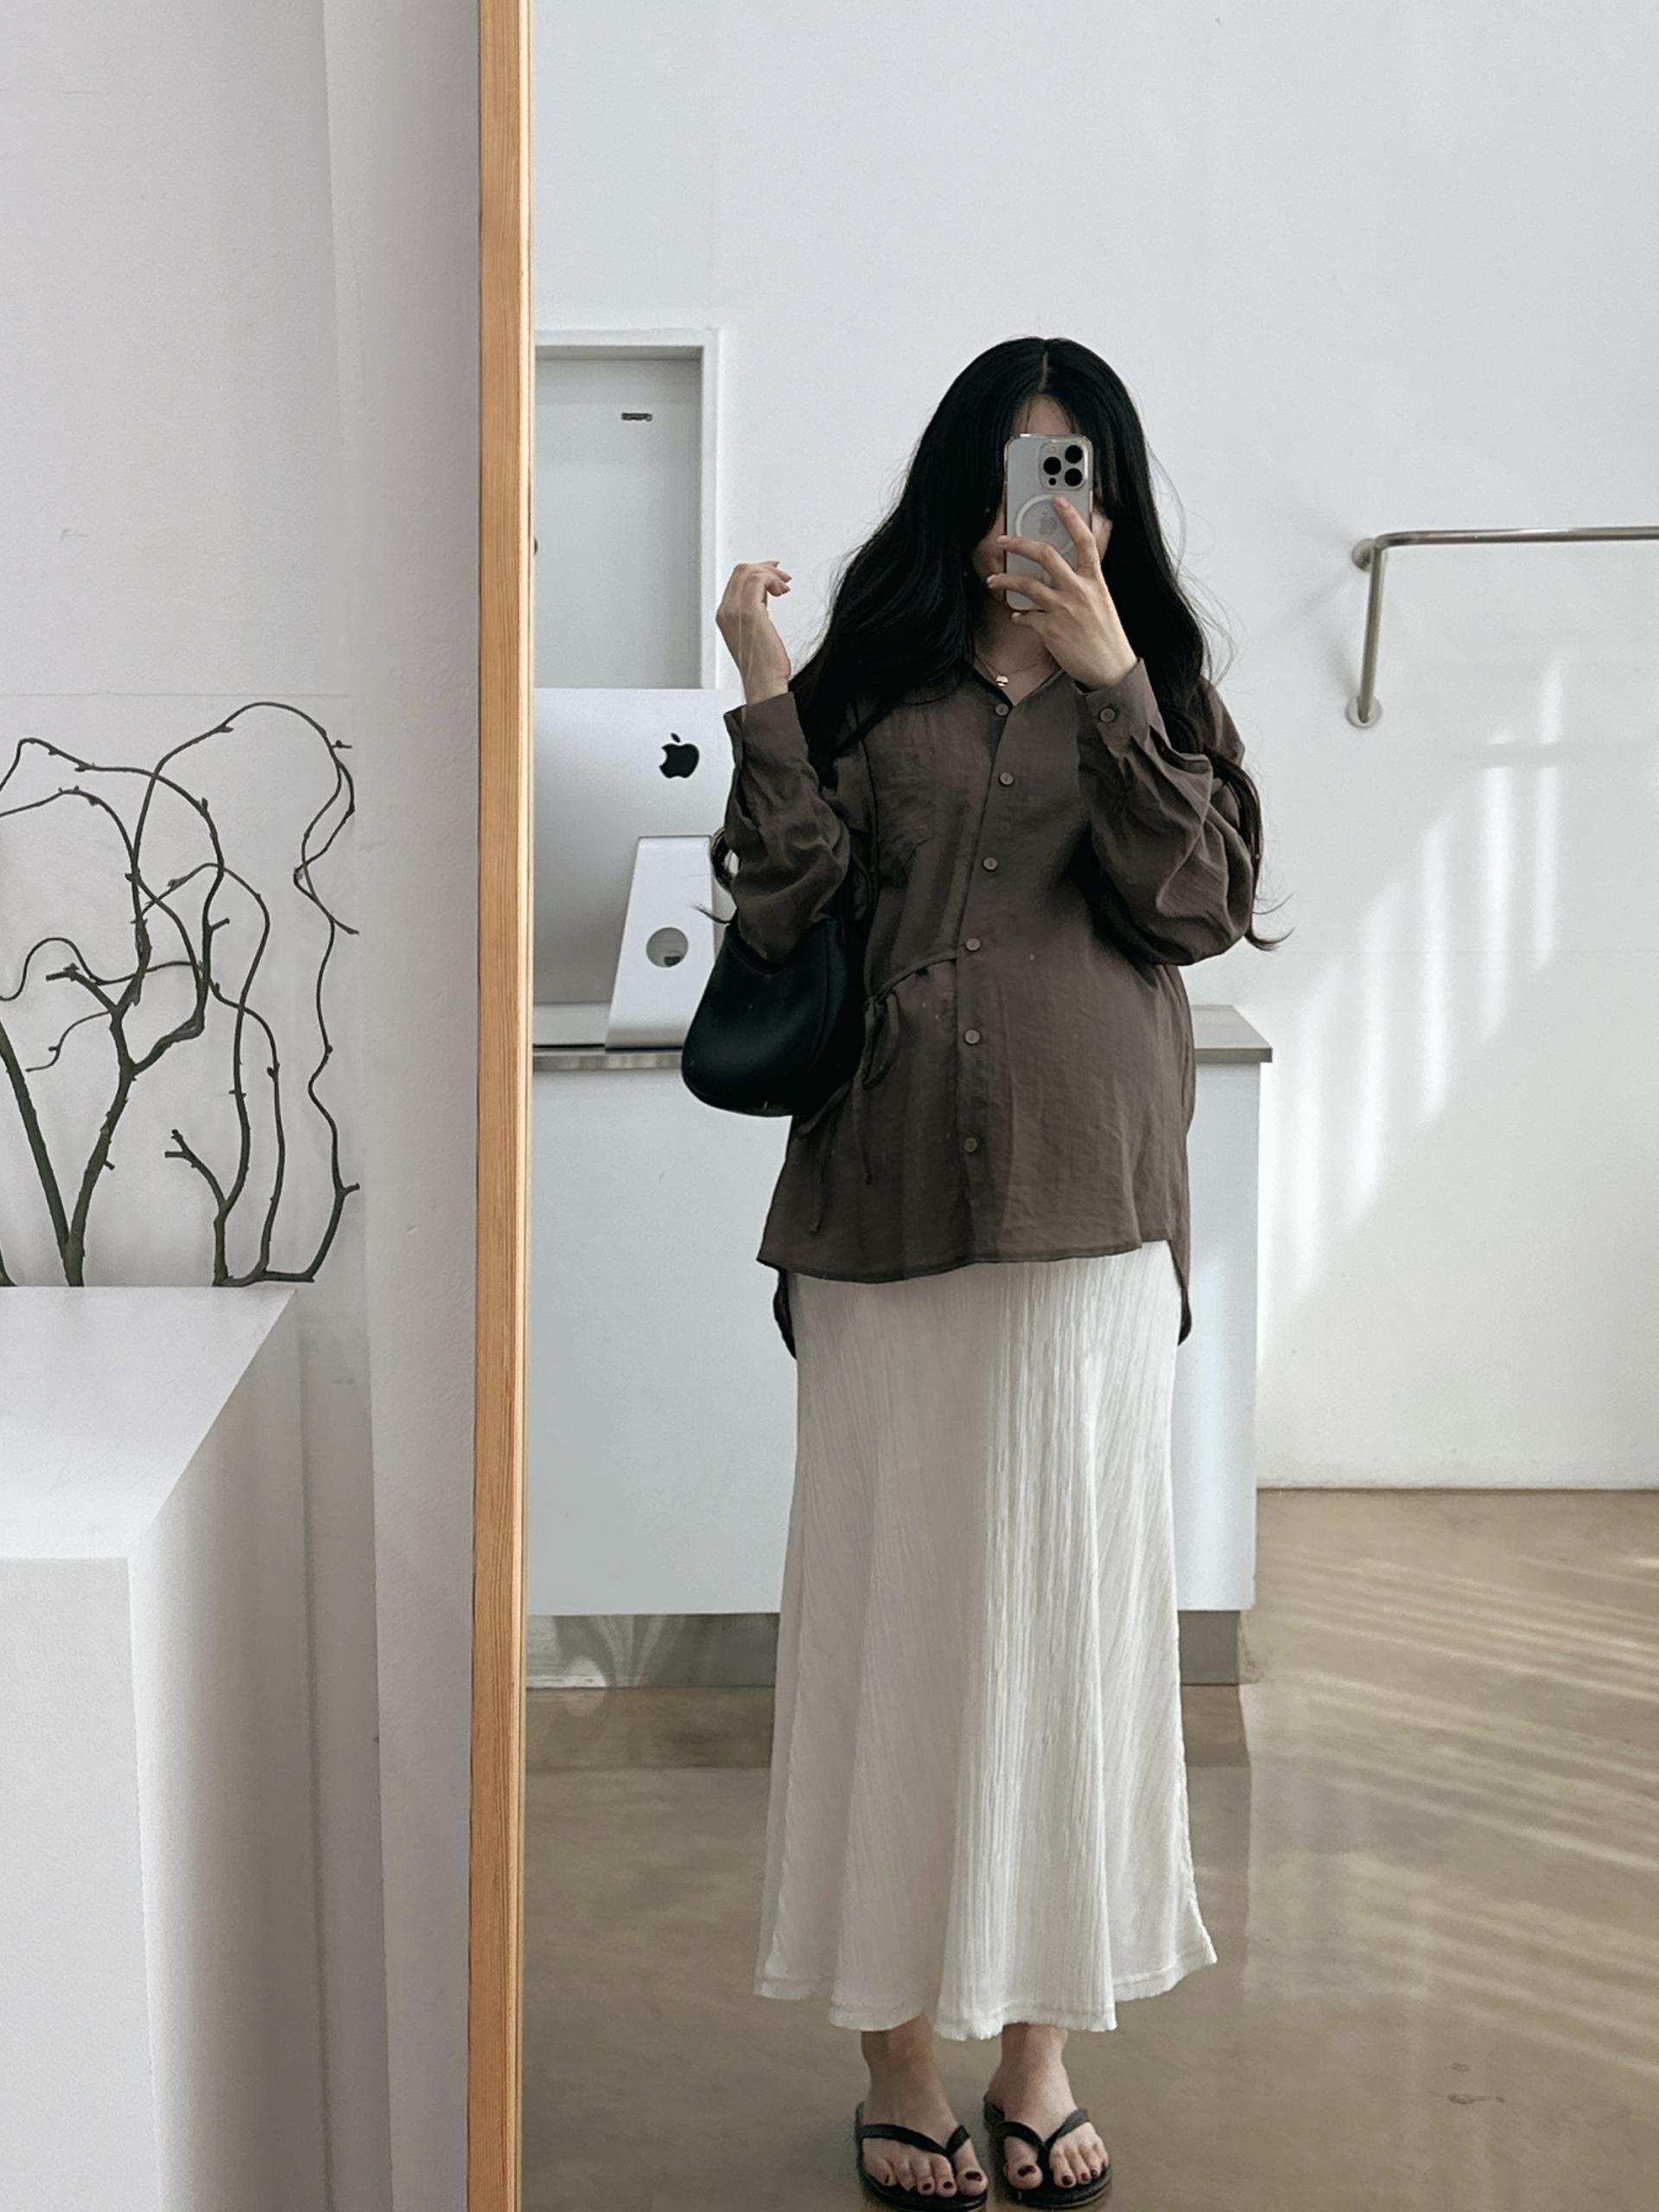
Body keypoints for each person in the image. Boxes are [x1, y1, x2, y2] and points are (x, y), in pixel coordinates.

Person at [709, 335, 1279, 2210]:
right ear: (966, 484)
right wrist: (770, 692)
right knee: (894, 1618)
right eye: (1019, 465)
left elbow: (1195, 905)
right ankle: (897, 2052)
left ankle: (1037, 2049)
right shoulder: (879, 679)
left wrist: (1113, 682)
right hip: (884, 1206)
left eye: (1075, 468)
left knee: (1067, 1629)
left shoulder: (1162, 678)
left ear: (1108, 499)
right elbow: (784, 903)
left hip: (1087, 1211)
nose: (1046, 501)